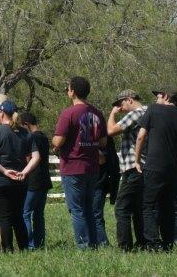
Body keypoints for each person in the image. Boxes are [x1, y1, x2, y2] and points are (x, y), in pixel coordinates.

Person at [134, 89, 177, 251]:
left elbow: (141, 136)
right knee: (168, 206)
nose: (156, 98)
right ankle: (168, 243)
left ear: (167, 97)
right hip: (171, 170)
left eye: (158, 95)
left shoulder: (153, 110)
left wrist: (137, 160)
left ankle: (153, 243)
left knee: (148, 205)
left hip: (153, 166)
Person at [52, 76, 107, 249]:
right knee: (89, 208)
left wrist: (55, 142)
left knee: (77, 209)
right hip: (92, 166)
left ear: (73, 91)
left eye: (68, 88)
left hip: (73, 166)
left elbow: (58, 141)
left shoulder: (69, 113)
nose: (67, 91)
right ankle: (94, 243)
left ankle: (84, 245)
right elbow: (104, 142)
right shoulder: (96, 113)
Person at [0, 100, 40, 252]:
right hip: (20, 181)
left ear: (1, 113)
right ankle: (23, 247)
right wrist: (24, 172)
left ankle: (8, 249)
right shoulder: (25, 133)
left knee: (4, 217)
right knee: (18, 215)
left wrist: (4, 171)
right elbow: (36, 157)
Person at [107, 89, 147, 251]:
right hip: (145, 167)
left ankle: (125, 247)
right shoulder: (149, 112)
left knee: (121, 207)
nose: (120, 108)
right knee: (138, 207)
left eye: (120, 104)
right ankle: (143, 242)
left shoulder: (137, 113)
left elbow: (111, 131)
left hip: (133, 167)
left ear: (129, 100)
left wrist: (112, 114)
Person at [19, 111, 52, 249]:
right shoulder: (43, 136)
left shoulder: (30, 138)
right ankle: (40, 243)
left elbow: (28, 159)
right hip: (44, 179)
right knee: (39, 214)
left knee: (25, 213)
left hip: (33, 180)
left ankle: (30, 244)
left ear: (25, 124)